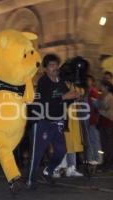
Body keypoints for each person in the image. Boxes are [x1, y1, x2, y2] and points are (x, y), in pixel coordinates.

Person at [27, 54, 81, 188]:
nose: (55, 68)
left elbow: (66, 100)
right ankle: (30, 179)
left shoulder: (61, 81)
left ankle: (48, 171)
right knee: (37, 153)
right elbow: (45, 102)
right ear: (45, 68)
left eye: (56, 65)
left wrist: (75, 97)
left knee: (61, 150)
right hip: (43, 121)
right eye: (51, 65)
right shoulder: (43, 82)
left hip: (58, 121)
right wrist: (64, 97)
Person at [98, 80, 113, 171]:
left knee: (109, 142)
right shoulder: (102, 95)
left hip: (108, 120)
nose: (100, 87)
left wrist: (98, 104)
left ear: (106, 87)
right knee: (103, 142)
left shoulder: (110, 96)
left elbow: (106, 107)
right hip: (102, 120)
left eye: (102, 86)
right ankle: (105, 161)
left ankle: (110, 161)